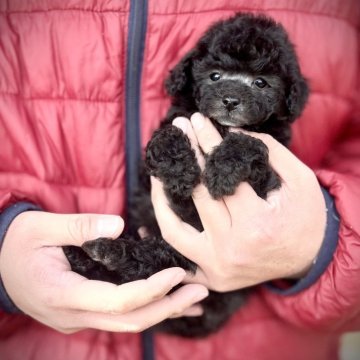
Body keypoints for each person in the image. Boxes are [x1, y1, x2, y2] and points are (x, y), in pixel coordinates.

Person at [0, 1, 359, 359]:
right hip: (52, 338)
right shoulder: (181, 120)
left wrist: (322, 242)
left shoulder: (269, 138)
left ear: (289, 97)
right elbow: (162, 157)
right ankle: (113, 261)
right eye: (216, 77)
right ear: (189, 75)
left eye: (260, 83)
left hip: (237, 318)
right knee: (148, 251)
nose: (232, 96)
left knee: (171, 266)